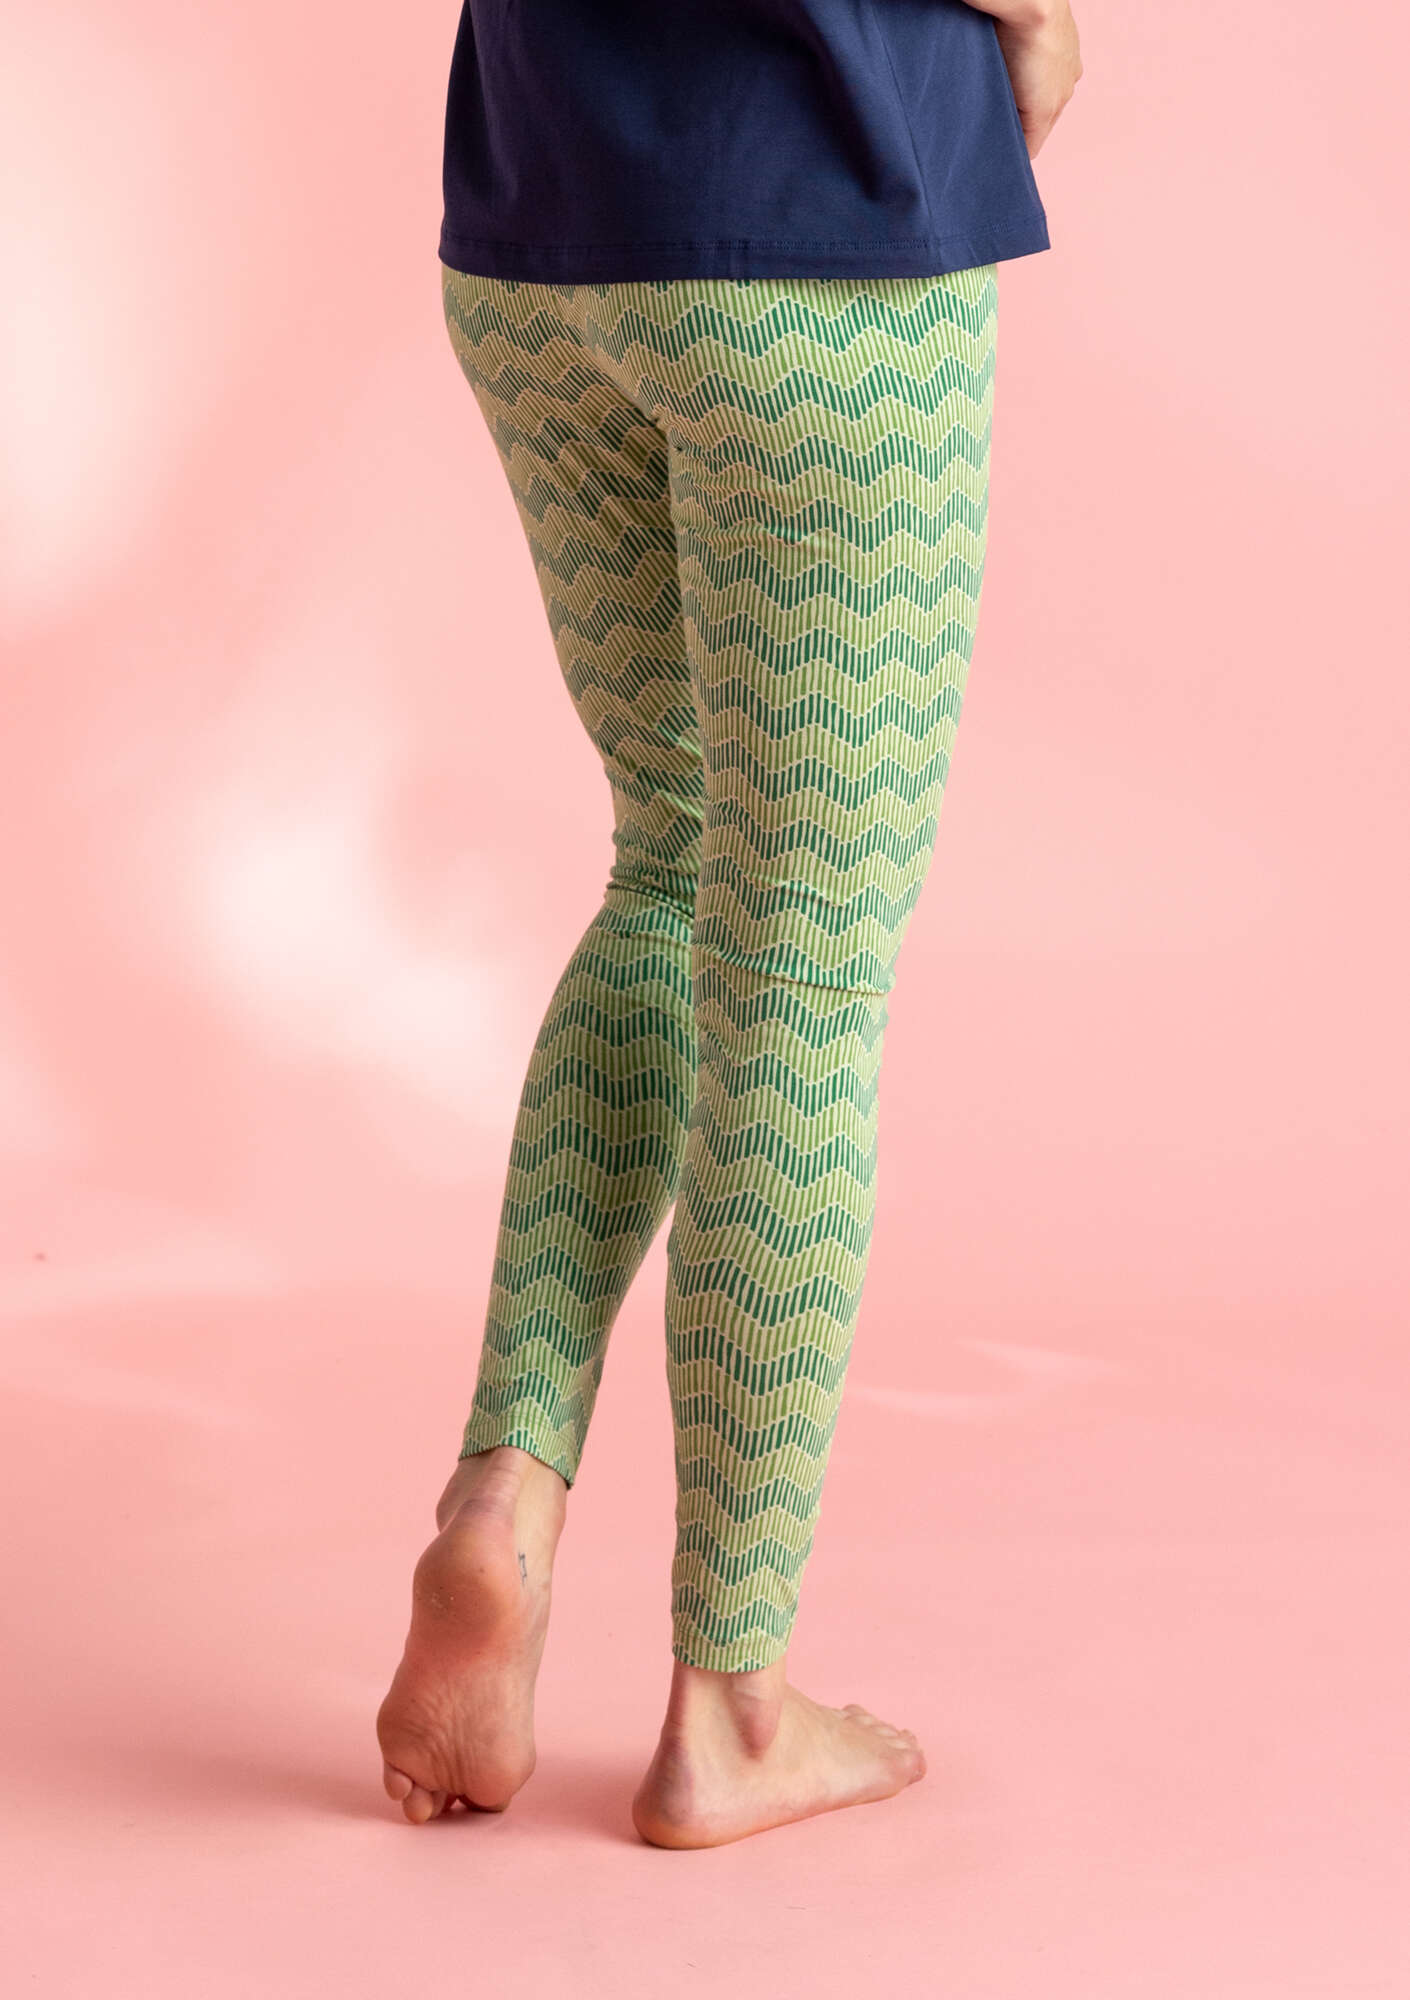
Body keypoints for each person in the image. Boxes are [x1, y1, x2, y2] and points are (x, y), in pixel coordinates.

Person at [376, 0, 1082, 1850]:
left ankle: (504, 1497)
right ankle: (731, 1708)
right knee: (801, 966)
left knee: (674, 855)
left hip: (538, 230)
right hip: (816, 232)